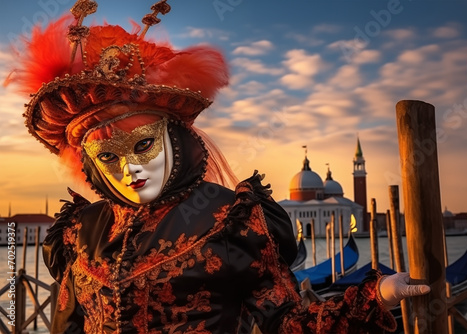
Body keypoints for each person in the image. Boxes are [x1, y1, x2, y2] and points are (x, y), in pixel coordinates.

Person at [7, 1, 430, 333]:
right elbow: (68, 326)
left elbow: (288, 323)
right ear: (91, 165)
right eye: (108, 158)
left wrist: (377, 295)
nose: (129, 169)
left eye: (143, 145)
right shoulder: (82, 230)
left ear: (174, 138)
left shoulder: (232, 219)